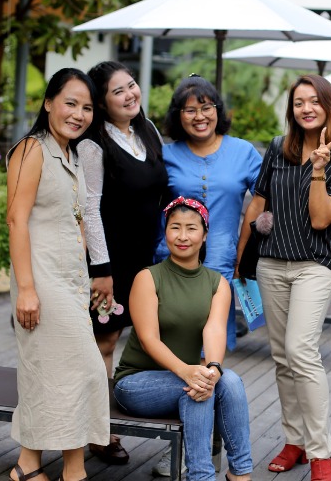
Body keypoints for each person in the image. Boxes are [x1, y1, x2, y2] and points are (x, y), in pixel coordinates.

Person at [237, 74, 331, 481]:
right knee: (281, 357)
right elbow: (257, 205)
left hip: (314, 266)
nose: (306, 108)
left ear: (329, 105)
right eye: (298, 102)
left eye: (314, 101)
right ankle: (295, 442)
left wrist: (319, 169)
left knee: (300, 351)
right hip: (271, 263)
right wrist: (241, 262)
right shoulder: (278, 147)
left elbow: (323, 219)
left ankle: (321, 452)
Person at [6, 68, 110, 481]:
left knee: (52, 369)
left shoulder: (73, 154)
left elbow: (77, 218)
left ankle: (27, 465)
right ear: (48, 102)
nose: (78, 114)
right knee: (84, 368)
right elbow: (16, 220)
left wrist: (87, 274)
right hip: (40, 278)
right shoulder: (31, 149)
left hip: (70, 279)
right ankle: (74, 470)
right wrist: (26, 289)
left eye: (87, 107)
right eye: (70, 103)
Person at [113, 197, 253, 481]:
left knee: (227, 380)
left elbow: (214, 330)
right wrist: (188, 371)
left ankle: (240, 473)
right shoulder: (148, 277)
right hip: (136, 383)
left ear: (205, 234)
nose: (182, 236)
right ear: (166, 232)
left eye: (191, 228)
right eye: (175, 227)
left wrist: (213, 369)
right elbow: (149, 339)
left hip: (186, 378)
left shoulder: (217, 283)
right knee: (195, 385)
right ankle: (201, 476)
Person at [77, 61, 168, 464]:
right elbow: (90, 209)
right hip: (108, 263)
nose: (130, 94)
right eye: (118, 91)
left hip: (143, 260)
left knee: (137, 338)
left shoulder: (146, 131)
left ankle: (103, 419)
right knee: (105, 341)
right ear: (101, 102)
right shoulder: (93, 144)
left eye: (131, 85)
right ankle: (100, 431)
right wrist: (101, 269)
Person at [156, 74, 262, 351]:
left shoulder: (244, 152)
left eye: (206, 108)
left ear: (218, 110)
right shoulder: (165, 155)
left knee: (210, 350)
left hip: (221, 264)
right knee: (170, 346)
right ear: (178, 115)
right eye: (190, 110)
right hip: (170, 264)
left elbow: (271, 198)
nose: (199, 116)